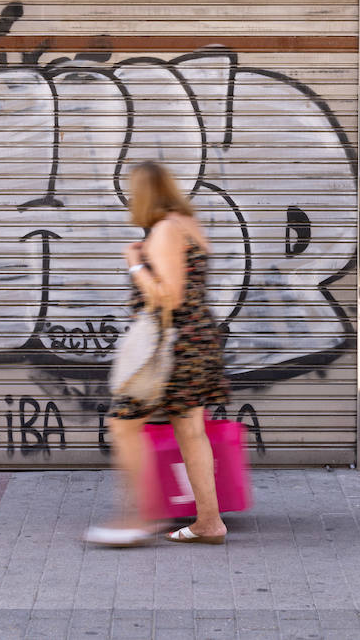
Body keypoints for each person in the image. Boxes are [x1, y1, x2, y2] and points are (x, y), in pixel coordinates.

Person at [84, 161, 229, 548]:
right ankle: (209, 522)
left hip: (172, 349)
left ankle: (138, 518)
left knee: (123, 426)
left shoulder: (165, 230)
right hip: (198, 342)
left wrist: (135, 265)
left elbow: (169, 296)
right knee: (190, 430)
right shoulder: (187, 224)